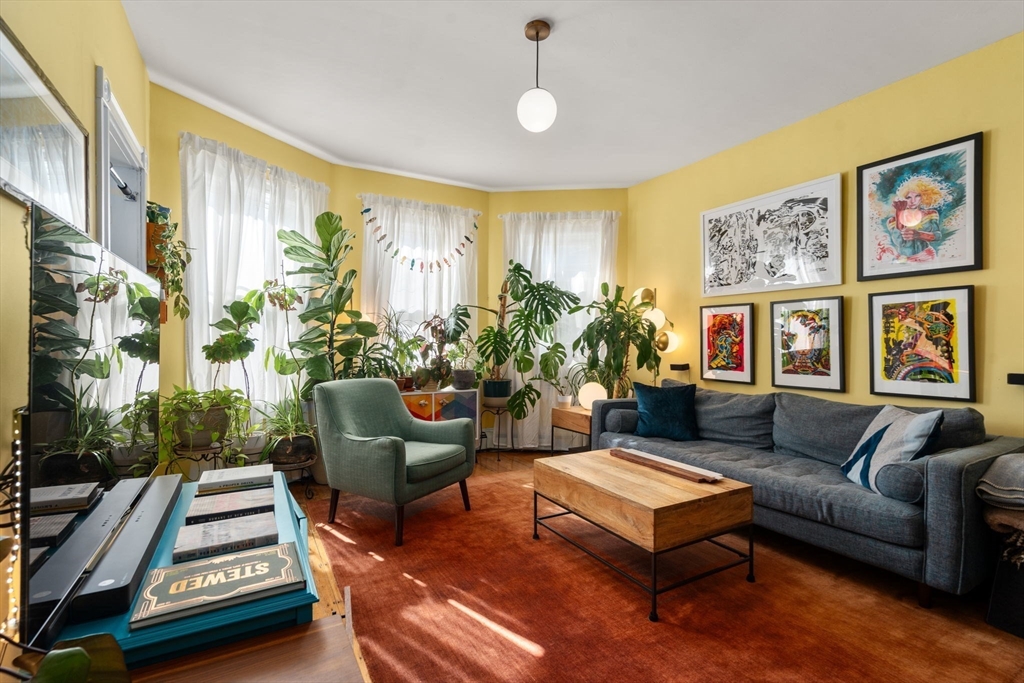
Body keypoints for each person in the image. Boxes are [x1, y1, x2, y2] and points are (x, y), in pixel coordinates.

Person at [883, 176, 946, 262]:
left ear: (923, 196)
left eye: (917, 196)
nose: (913, 201)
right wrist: (899, 212)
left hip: (927, 256)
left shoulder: (930, 214)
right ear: (903, 198)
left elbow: (938, 236)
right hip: (904, 261)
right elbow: (899, 243)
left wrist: (919, 234)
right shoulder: (892, 221)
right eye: (908, 197)